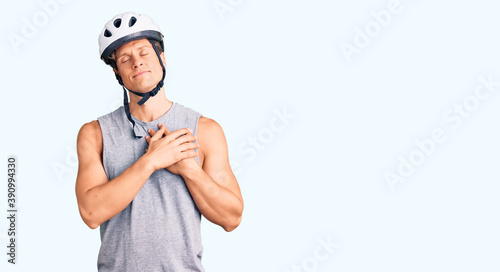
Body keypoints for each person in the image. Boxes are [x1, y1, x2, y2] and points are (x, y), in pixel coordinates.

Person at [75, 12, 243, 271]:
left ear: (161, 58)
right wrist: (151, 161)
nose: (136, 63)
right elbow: (91, 214)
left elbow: (232, 218)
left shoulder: (205, 130)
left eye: (144, 52)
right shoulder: (95, 133)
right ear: (117, 72)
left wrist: (189, 170)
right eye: (125, 59)